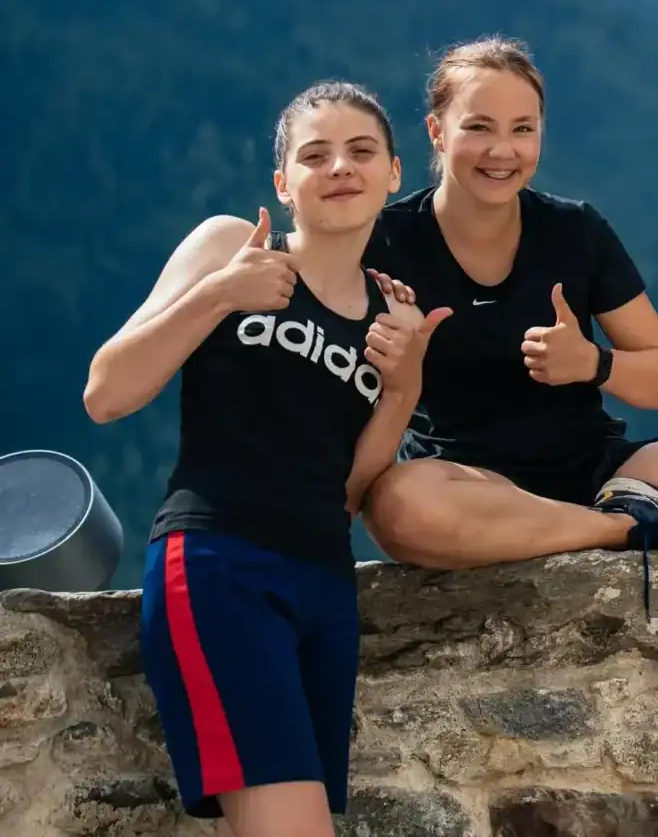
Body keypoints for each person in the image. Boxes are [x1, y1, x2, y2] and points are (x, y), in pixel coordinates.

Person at [357, 35, 658, 837]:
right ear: (436, 132)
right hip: (465, 484)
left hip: (603, 462)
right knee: (398, 510)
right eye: (480, 127)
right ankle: (633, 531)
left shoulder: (575, 231)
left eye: (524, 129)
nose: (503, 150)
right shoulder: (384, 242)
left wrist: (591, 363)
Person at [83, 82, 446, 837]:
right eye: (314, 155)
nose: (339, 166)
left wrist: (405, 384)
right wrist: (219, 295)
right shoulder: (232, 249)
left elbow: (349, 489)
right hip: (220, 565)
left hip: (323, 586)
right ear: (284, 184)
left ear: (395, 174)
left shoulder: (390, 311)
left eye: (361, 151)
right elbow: (107, 392)